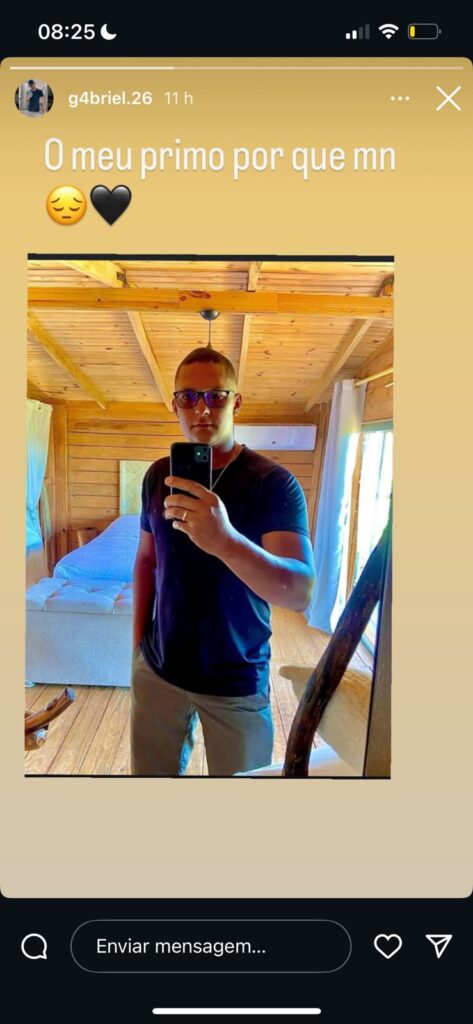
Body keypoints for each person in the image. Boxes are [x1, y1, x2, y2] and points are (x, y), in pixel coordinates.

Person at [130, 345, 316, 776]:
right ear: (174, 404)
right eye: (188, 397)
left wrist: (225, 541)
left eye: (215, 396)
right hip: (158, 671)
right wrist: (137, 645)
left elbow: (300, 592)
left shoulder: (274, 484)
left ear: (236, 402)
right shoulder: (158, 476)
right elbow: (146, 561)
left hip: (236, 680)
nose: (201, 408)